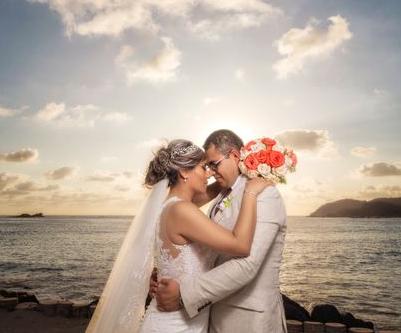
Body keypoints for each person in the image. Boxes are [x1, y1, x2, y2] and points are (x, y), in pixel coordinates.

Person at [86, 139, 269, 333]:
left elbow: (219, 186)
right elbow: (240, 245)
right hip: (175, 325)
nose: (209, 173)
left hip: (177, 320)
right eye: (203, 167)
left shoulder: (169, 204)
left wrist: (242, 168)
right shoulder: (182, 210)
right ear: (183, 172)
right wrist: (250, 191)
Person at [154, 129, 288, 333]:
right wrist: (165, 273)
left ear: (235, 156)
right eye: (205, 166)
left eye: (214, 164)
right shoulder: (218, 196)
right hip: (211, 314)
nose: (210, 173)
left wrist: (183, 295)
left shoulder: (263, 194)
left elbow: (247, 264)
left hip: (247, 320)